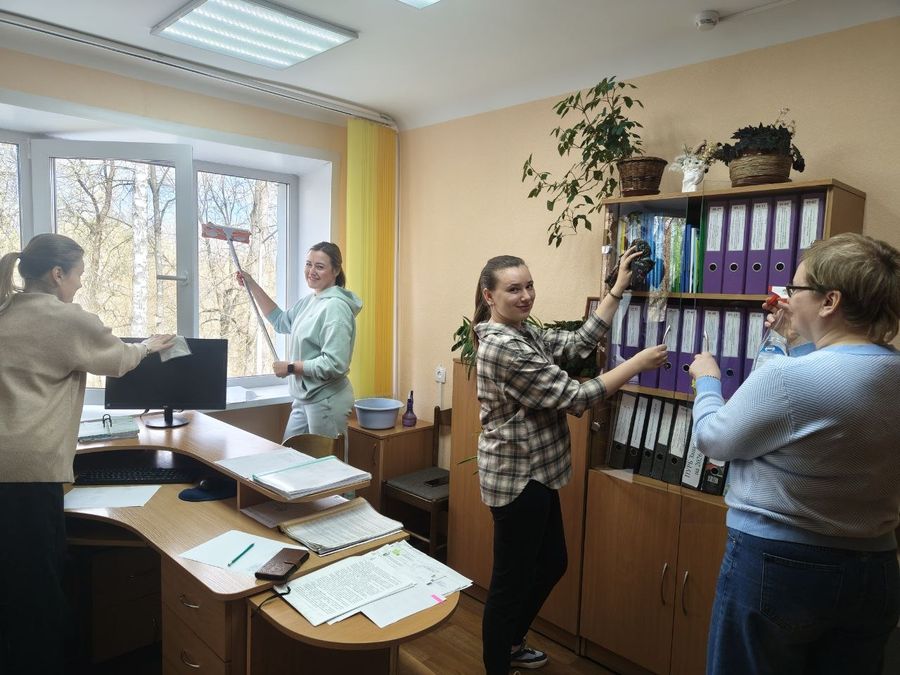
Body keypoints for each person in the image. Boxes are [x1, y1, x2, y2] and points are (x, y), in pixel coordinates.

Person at [688, 233, 900, 675]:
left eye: (796, 287)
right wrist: (797, 338)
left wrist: (707, 381)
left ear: (830, 301)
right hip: (875, 568)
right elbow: (833, 392)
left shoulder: (787, 378)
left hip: (780, 564)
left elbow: (714, 439)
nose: (788, 296)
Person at [473, 248, 667, 674]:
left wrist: (616, 289)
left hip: (538, 473)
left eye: (529, 286)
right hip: (517, 479)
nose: (526, 296)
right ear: (489, 296)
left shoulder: (523, 330)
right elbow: (576, 396)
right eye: (513, 289)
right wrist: (635, 364)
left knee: (551, 562)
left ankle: (511, 642)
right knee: (509, 584)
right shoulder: (504, 346)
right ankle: (498, 663)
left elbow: (577, 343)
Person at [0, 233, 175, 675]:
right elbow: (117, 360)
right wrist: (148, 346)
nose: (79, 283)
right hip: (27, 471)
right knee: (38, 590)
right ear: (57, 274)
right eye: (78, 274)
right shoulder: (65, 318)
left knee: (10, 583)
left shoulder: (5, 310)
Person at [237, 241, 362, 441]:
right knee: (289, 452)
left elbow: (334, 364)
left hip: (327, 400)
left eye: (319, 266)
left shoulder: (336, 308)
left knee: (324, 461)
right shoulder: (310, 301)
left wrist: (290, 367)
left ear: (336, 270)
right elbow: (280, 321)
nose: (311, 271)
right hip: (304, 398)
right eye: (308, 264)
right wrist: (251, 285)